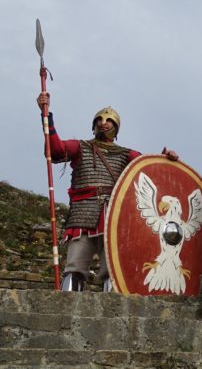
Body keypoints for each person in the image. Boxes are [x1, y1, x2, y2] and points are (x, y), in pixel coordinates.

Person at [37, 92, 178, 292]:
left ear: (116, 127)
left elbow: (147, 167)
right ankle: (68, 304)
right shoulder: (81, 147)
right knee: (75, 266)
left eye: (109, 121)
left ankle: (113, 308)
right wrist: (46, 115)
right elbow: (56, 149)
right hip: (83, 212)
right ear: (93, 125)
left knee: (112, 268)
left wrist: (165, 158)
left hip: (113, 214)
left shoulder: (126, 154)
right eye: (100, 120)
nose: (104, 123)